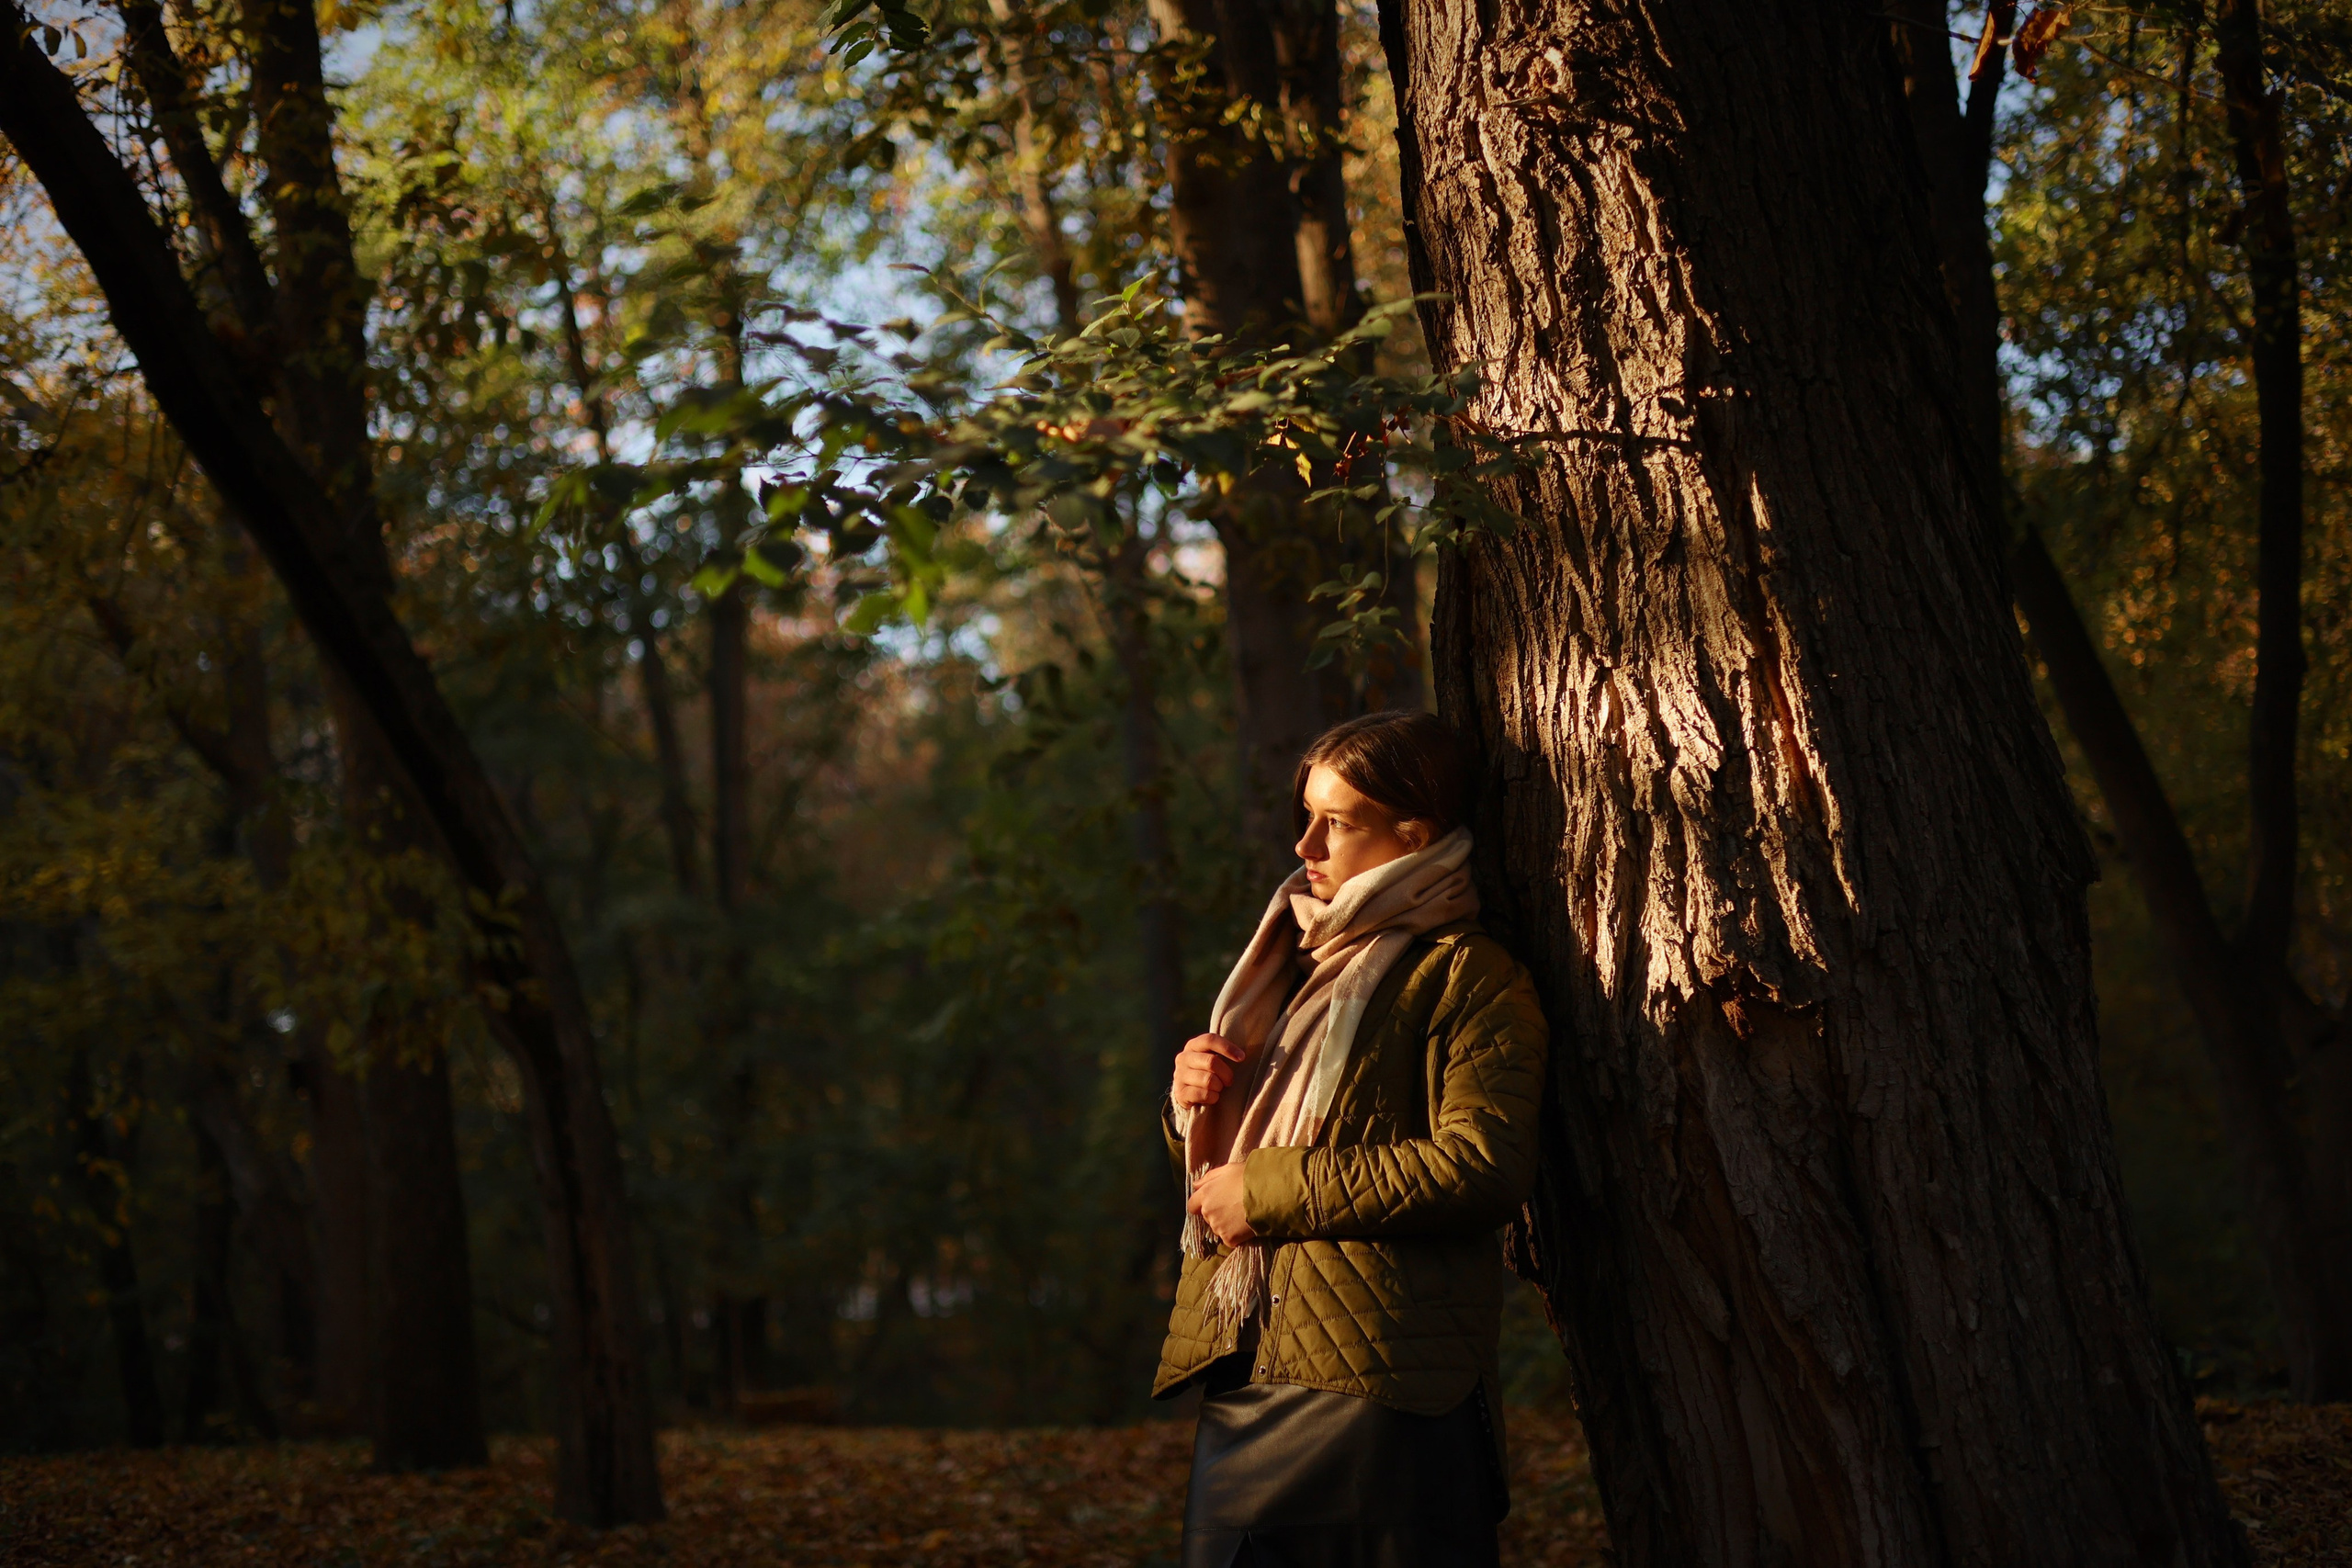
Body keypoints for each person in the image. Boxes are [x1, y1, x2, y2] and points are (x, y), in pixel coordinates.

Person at [1156, 710, 1549, 1568]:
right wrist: (1192, 1098)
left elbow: (1482, 1166)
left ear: (1415, 835)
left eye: (1335, 822)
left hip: (1390, 1384)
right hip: (1249, 1360)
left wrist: (1266, 1190)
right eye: (1306, 817)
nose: (1306, 845)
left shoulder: (1465, 973)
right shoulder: (1292, 967)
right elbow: (1246, 1153)